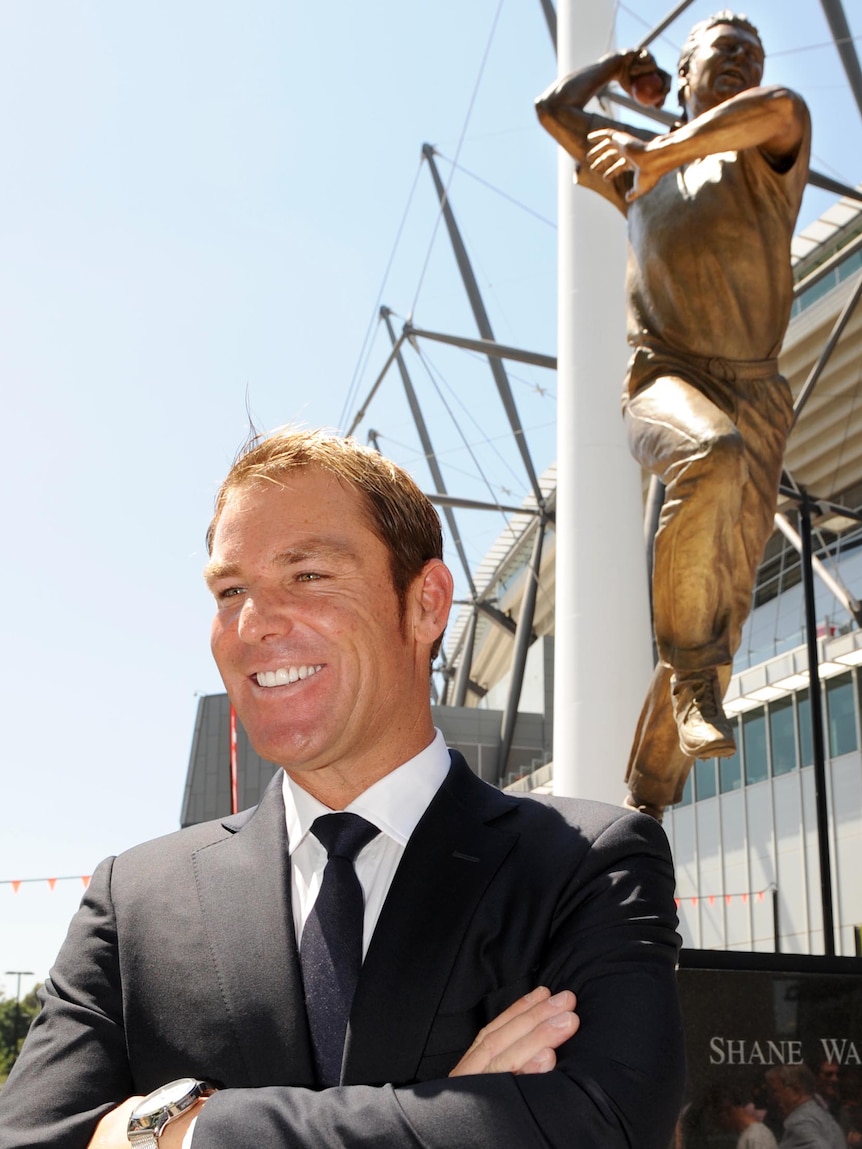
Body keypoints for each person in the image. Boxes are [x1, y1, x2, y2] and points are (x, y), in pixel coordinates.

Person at [0, 429, 685, 1148]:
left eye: (308, 575)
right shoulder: (134, 901)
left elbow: (607, 1123)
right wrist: (460, 1113)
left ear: (425, 604)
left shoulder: (586, 865)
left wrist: (174, 1130)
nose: (253, 624)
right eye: (230, 589)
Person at [536, 12, 811, 818]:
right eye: (724, 52)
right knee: (710, 456)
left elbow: (784, 105)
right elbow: (555, 111)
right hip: (666, 379)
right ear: (684, 73)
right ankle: (691, 681)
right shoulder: (635, 171)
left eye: (752, 55)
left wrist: (655, 149)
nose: (745, 64)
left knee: (720, 611)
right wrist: (617, 63)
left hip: (756, 390)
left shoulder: (766, 148)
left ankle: (643, 806)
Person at [765, 1065, 845, 1148]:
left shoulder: (801, 1123)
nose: (770, 1098)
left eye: (774, 1091)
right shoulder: (821, 1116)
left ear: (796, 1091)